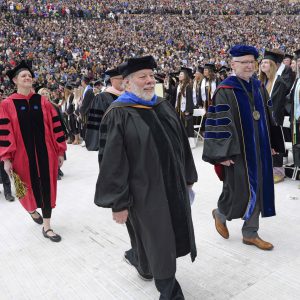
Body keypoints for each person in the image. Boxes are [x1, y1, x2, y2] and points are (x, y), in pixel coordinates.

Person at [94, 56, 197, 299]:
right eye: (143, 77)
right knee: (158, 239)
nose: (150, 81)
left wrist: (188, 177)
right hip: (143, 193)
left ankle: (142, 262)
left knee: (159, 236)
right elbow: (112, 164)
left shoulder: (162, 105)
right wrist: (118, 203)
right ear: (127, 83)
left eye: (151, 75)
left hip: (173, 186)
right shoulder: (118, 114)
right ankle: (170, 291)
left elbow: (182, 143)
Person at [202, 45, 278, 251]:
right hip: (237, 151)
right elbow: (218, 123)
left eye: (251, 62)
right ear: (233, 64)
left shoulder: (258, 86)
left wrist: (271, 144)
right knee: (237, 190)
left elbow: (269, 118)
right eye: (243, 62)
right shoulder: (226, 90)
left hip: (260, 148)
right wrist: (222, 154)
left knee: (260, 187)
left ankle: (250, 232)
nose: (248, 66)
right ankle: (221, 213)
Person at [0, 61, 66, 242]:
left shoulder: (42, 101)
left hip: (47, 154)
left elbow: (55, 126)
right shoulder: (7, 104)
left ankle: (47, 226)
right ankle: (30, 210)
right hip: (21, 156)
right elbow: (5, 132)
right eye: (23, 76)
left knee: (47, 187)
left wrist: (60, 151)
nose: (28, 78)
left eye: (29, 75)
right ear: (15, 80)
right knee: (24, 190)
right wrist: (6, 158)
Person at [259, 50, 290, 183]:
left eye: (266, 62)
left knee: (275, 143)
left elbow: (278, 104)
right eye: (262, 62)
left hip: (275, 119)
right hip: (264, 118)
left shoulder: (280, 82)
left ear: (272, 65)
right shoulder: (262, 82)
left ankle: (278, 172)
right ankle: (267, 170)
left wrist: (273, 119)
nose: (263, 64)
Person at [85, 68, 124, 151]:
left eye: (124, 78)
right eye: (120, 79)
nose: (123, 81)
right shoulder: (102, 98)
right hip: (110, 144)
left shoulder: (131, 96)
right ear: (112, 80)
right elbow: (95, 122)